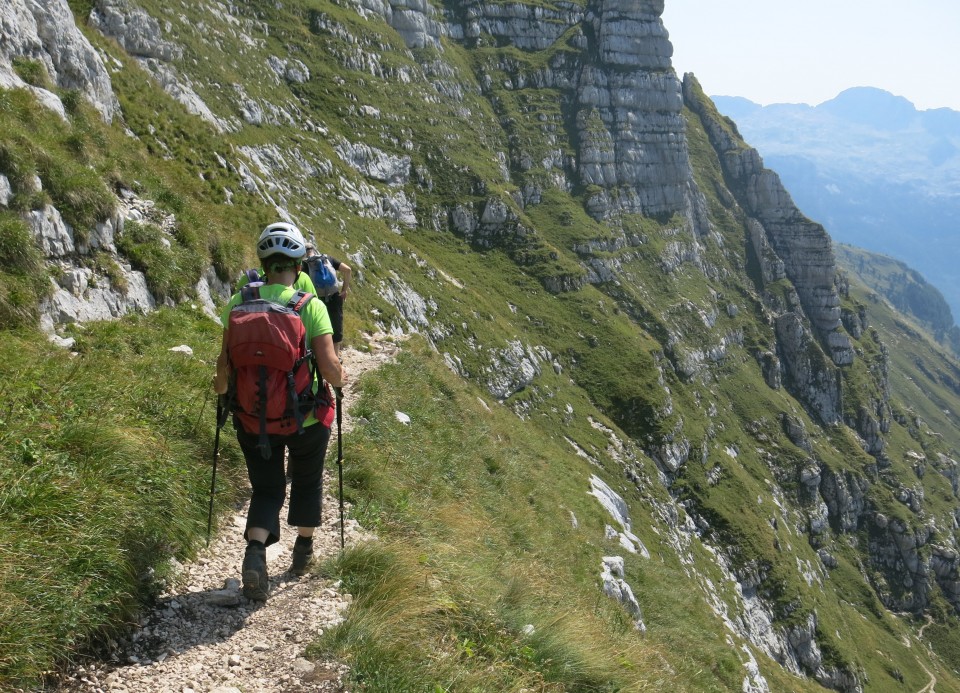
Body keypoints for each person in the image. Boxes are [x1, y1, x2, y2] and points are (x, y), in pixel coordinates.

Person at [214, 221, 346, 601]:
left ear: (263, 263)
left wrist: (225, 396)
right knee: (307, 479)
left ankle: (255, 553)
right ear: (298, 268)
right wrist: (342, 375)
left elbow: (222, 372)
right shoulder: (310, 306)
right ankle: (303, 551)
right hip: (305, 419)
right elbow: (331, 370)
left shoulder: (237, 304)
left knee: (267, 487)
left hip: (252, 420)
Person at [303, 243, 352, 358]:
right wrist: (344, 290)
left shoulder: (304, 265)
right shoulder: (327, 259)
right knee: (336, 329)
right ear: (314, 249)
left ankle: (321, 359)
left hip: (317, 300)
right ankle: (336, 359)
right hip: (334, 297)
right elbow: (348, 270)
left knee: (319, 330)